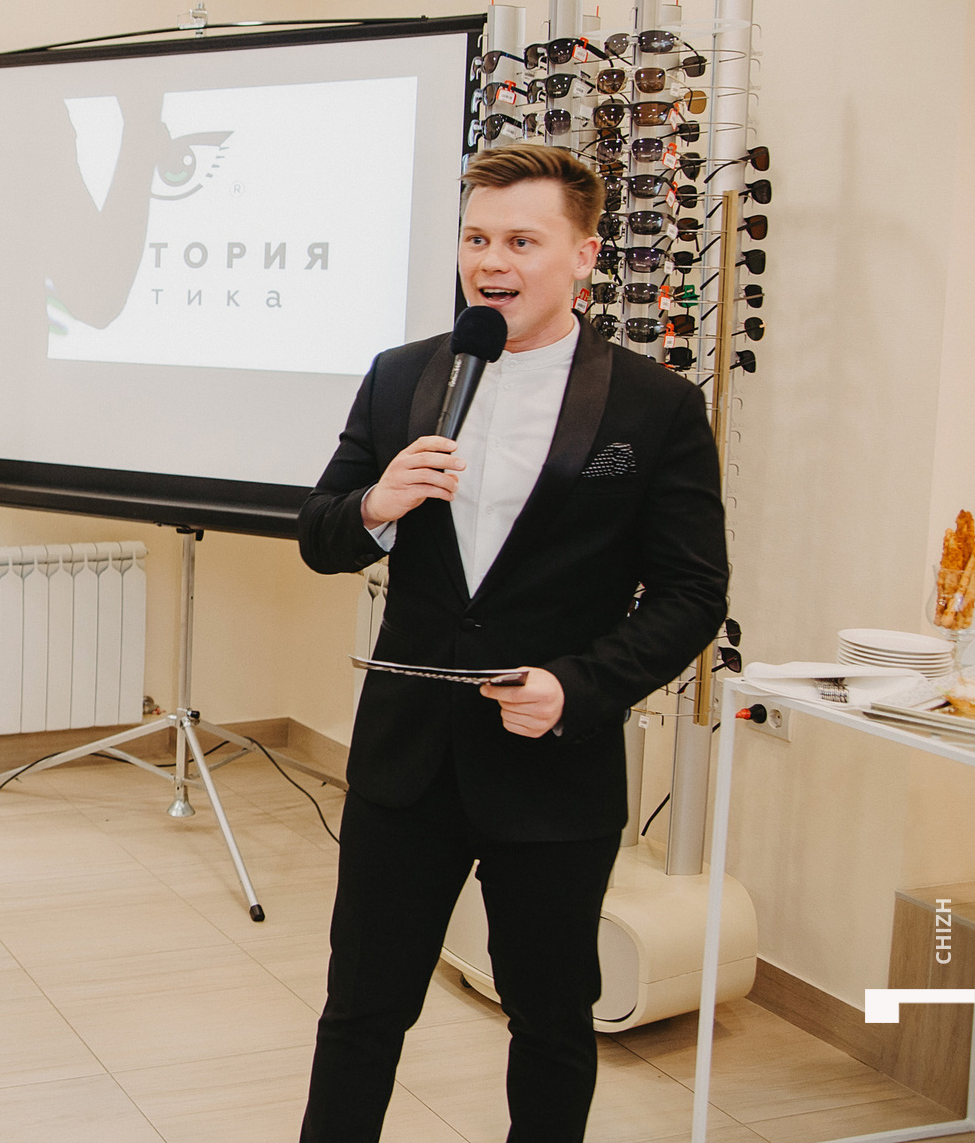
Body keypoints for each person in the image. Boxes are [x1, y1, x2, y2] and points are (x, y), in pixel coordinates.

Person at [294, 144, 727, 1142]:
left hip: (553, 766)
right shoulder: (402, 377)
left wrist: (581, 686)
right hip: (407, 757)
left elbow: (693, 592)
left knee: (551, 1020)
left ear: (584, 256)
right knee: (362, 1012)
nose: (491, 261)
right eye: (477, 238)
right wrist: (376, 505)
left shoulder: (653, 404)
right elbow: (320, 535)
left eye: (522, 241)